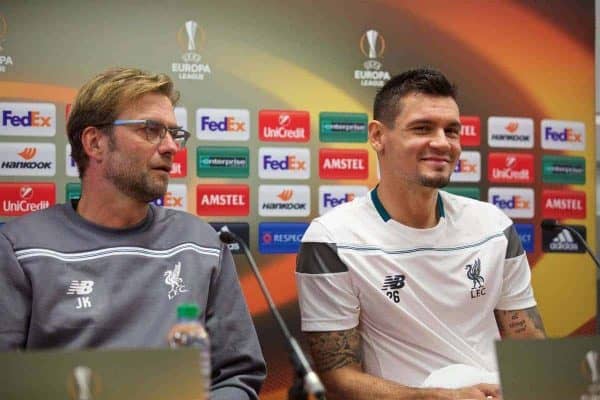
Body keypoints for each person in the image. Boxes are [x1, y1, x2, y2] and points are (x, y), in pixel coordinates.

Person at [0, 67, 266, 400]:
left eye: (173, 133)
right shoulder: (21, 248)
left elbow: (238, 375)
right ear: (95, 142)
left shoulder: (201, 245)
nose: (171, 147)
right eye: (151, 130)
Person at [295, 67, 545, 399]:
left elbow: (529, 347)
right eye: (422, 128)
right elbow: (338, 378)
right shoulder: (332, 239)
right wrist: (435, 397)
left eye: (452, 131)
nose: (442, 143)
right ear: (377, 136)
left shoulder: (494, 227)